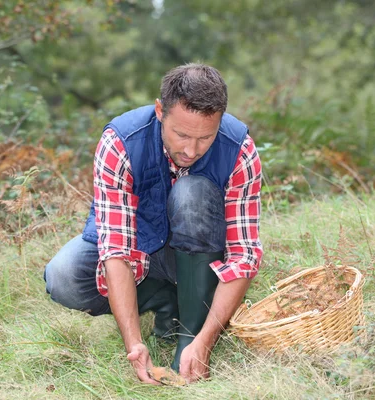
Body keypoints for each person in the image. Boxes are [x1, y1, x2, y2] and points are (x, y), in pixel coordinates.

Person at [44, 63, 263, 384]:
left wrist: (205, 340)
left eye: (205, 138)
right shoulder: (119, 142)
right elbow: (115, 250)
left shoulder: (239, 149)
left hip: (203, 255)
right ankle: (166, 300)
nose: (191, 150)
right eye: (182, 134)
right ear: (160, 111)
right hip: (141, 250)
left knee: (192, 193)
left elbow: (244, 257)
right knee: (63, 276)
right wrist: (133, 343)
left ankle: (190, 332)